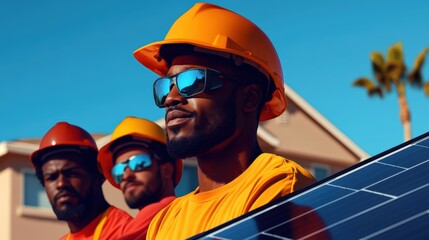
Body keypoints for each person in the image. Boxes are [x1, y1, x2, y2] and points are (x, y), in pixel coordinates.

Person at [133, 2, 317, 239]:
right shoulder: (165, 222)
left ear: (249, 97)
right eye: (166, 85)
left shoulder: (279, 187)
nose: (171, 97)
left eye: (192, 80)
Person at [30, 122, 133, 240]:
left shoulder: (127, 232)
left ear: (98, 175)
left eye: (72, 173)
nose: (61, 184)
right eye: (51, 177)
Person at [97, 116, 182, 239]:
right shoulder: (141, 229)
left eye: (138, 163)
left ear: (167, 170)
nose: (126, 176)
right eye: (119, 171)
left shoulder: (176, 213)